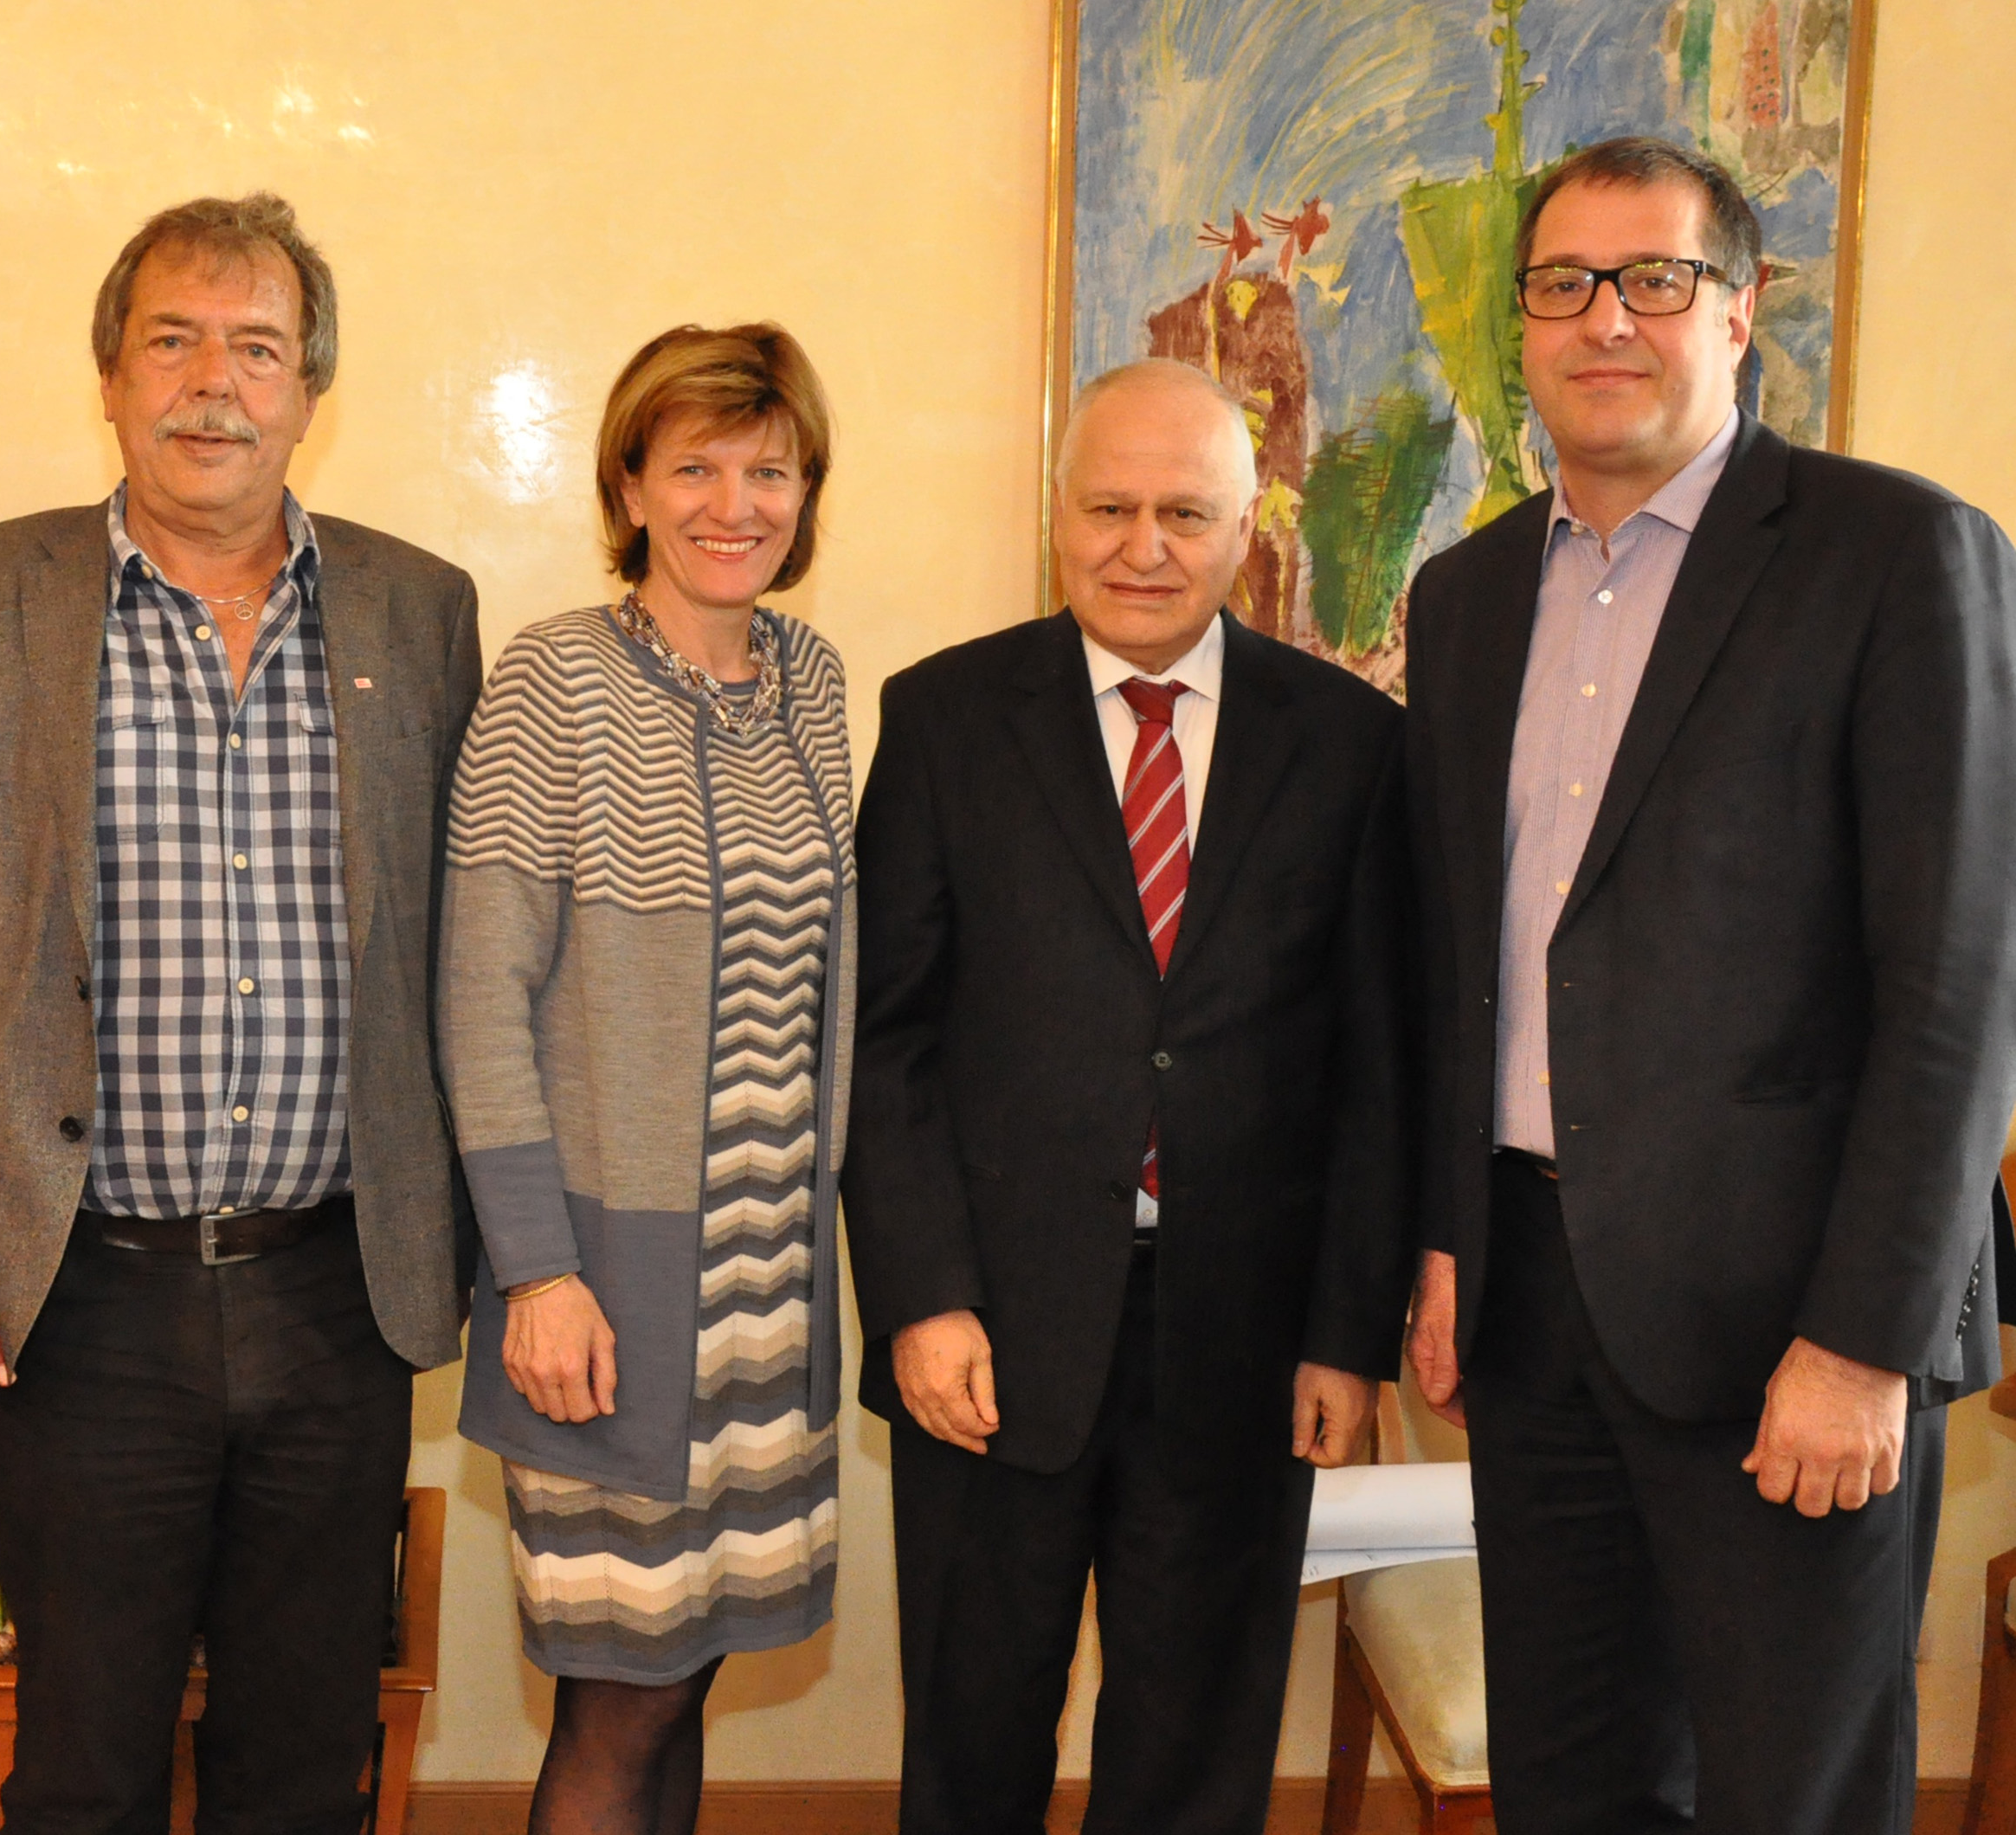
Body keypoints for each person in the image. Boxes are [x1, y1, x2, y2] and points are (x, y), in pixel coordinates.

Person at [1401, 134, 2016, 1835]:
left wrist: (1862, 1339)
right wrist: (1450, 1233)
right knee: (1575, 1787)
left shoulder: (1899, 557)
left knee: (1791, 1799)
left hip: (1786, 1336)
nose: (1608, 319)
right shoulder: (1460, 600)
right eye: (1565, 284)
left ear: (1742, 314)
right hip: (1529, 1310)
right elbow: (1468, 959)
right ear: (1520, 328)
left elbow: (1960, 978)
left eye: (1656, 279)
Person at [0, 191, 480, 1834]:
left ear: (309, 390)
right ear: (111, 378)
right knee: (83, 1762)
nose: (215, 384)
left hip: (341, 1285)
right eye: (174, 342)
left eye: (256, 349)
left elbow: (473, 953)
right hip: (78, 1297)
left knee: (301, 1750)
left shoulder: (421, 615)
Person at [845, 357, 1413, 1835]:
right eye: (1108, 507)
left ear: (1247, 534)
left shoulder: (1349, 744)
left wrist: (1346, 1336)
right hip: (991, 1336)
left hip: (1241, 1339)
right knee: (973, 1744)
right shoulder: (948, 717)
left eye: (1183, 513)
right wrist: (921, 1297)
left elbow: (1374, 1068)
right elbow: (885, 1041)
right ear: (1058, 513)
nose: (1141, 547)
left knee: (1193, 1756)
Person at [440, 323, 854, 1835]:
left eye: (769, 467)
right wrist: (536, 1272)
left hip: (768, 1291)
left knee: (688, 1675)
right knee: (620, 1700)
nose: (733, 502)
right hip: (609, 1289)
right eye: (693, 466)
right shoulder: (555, 681)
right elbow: (479, 995)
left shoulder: (812, 678)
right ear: (627, 485)